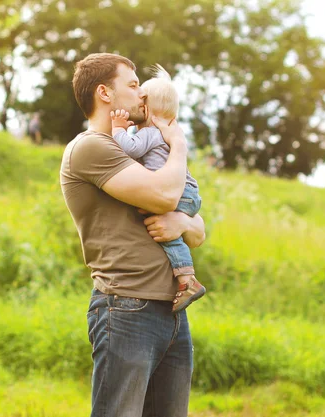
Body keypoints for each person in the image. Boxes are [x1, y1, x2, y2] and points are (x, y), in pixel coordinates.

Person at [60, 53, 206, 416]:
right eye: (133, 85)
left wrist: (182, 224)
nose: (142, 95)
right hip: (127, 308)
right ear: (104, 93)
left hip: (171, 310)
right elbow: (166, 195)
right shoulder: (92, 147)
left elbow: (198, 227)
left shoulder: (142, 151)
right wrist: (181, 145)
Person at [111, 64, 205, 313]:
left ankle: (187, 279)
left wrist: (118, 128)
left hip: (181, 194)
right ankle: (186, 278)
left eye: (141, 99)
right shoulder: (161, 134)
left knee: (167, 234)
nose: (137, 100)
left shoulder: (151, 133)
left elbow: (130, 148)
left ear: (149, 110)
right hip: (189, 192)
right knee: (167, 229)